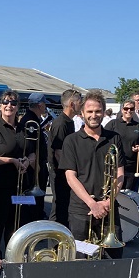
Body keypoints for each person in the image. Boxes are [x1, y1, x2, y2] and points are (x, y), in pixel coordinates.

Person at [59, 90, 125, 259]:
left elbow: (119, 174)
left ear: (103, 112)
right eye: (89, 111)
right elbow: (70, 177)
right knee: (81, 258)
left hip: (108, 208)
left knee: (113, 259)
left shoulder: (115, 138)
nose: (94, 115)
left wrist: (107, 202)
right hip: (81, 209)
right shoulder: (71, 141)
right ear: (82, 113)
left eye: (98, 111)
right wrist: (92, 204)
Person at [0, 90, 36, 257]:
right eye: (6, 102)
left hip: (21, 185)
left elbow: (33, 152)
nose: (9, 106)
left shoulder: (24, 128)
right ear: (0, 106)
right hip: (0, 185)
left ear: (18, 107)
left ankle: (12, 255)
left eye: (13, 103)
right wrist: (11, 160)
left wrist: (28, 161)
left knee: (16, 224)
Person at [49, 89, 82, 226]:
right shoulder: (60, 123)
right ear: (72, 104)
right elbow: (58, 152)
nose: (82, 105)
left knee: (64, 207)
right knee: (59, 208)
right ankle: (53, 235)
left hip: (65, 172)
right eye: (80, 102)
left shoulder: (69, 121)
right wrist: (70, 170)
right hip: (60, 173)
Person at [104, 99, 139, 192]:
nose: (128, 111)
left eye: (131, 109)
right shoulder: (113, 124)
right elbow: (104, 140)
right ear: (122, 110)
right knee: (113, 192)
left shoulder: (137, 125)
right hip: (115, 165)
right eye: (126, 108)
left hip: (131, 165)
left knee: (127, 193)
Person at [22, 93, 50, 221]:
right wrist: (35, 166)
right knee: (33, 198)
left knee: (37, 197)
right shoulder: (30, 121)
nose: (45, 107)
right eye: (44, 105)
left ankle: (36, 214)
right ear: (40, 105)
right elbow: (30, 147)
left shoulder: (34, 119)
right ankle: (32, 218)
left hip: (37, 163)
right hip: (34, 166)